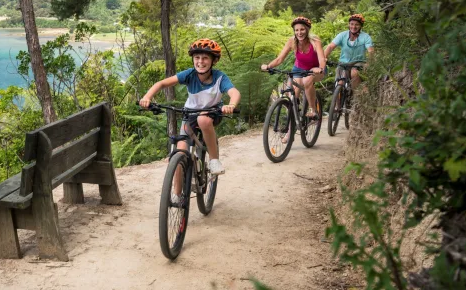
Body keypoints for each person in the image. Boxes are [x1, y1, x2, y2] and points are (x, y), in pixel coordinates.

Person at [139, 39, 240, 175]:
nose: (200, 61)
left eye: (205, 58)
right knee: (178, 154)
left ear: (213, 61)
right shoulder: (189, 74)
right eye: (197, 57)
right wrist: (147, 97)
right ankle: (176, 195)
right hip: (190, 114)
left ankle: (214, 160)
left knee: (203, 119)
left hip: (212, 112)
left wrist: (231, 105)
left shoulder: (220, 77)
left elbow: (234, 92)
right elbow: (162, 84)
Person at [260, 16, 326, 119]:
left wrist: (320, 68)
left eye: (302, 29)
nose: (299, 33)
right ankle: (291, 127)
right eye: (296, 30)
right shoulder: (292, 41)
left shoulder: (315, 41)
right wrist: (268, 66)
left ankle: (313, 110)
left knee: (307, 80)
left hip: (315, 68)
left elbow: (322, 58)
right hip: (299, 69)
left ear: (307, 30)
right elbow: (279, 59)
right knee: (291, 97)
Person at [324, 13, 374, 89]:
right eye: (352, 24)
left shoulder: (365, 37)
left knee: (354, 73)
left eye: (357, 25)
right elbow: (330, 46)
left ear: (361, 26)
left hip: (358, 62)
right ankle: (338, 100)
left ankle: (357, 96)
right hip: (343, 62)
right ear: (349, 24)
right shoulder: (342, 35)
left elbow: (371, 51)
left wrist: (369, 63)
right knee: (339, 83)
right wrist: (324, 58)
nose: (353, 26)